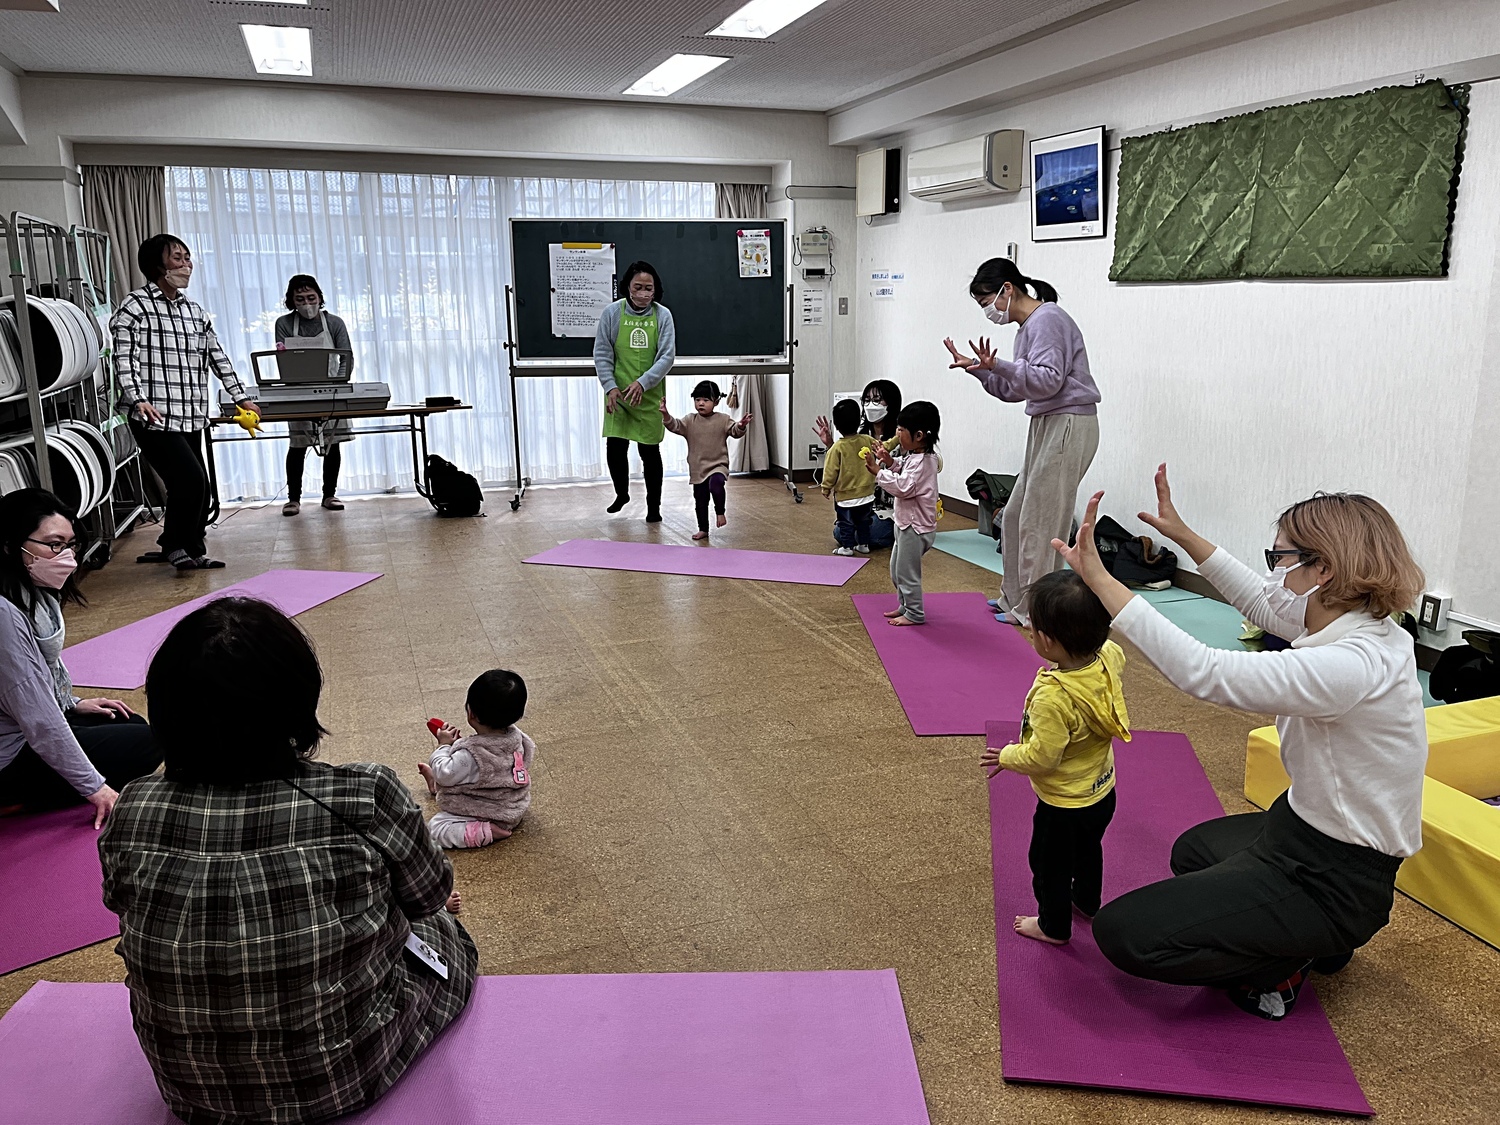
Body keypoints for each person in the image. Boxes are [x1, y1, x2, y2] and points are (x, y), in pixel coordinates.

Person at [1057, 466, 1426, 1021]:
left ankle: (1289, 961)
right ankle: (1317, 939)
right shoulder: (1358, 621)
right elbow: (1263, 602)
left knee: (1126, 935)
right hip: (1299, 828)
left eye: (1280, 557)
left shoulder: (1353, 663)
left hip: (1340, 876)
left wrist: (1103, 581)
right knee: (1193, 852)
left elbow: (1203, 671)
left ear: (1322, 569)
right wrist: (1182, 536)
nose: (1273, 571)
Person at [99, 597, 476, 1122]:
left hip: (190, 1092)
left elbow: (120, 903)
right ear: (298, 701)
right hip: (338, 1079)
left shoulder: (133, 804)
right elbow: (428, 897)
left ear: (166, 707)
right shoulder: (364, 793)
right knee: (446, 935)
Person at [944, 258, 1100, 627]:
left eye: (987, 301)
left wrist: (997, 366)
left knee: (1040, 522)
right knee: (1015, 516)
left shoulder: (1048, 319)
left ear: (1007, 289)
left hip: (1069, 422)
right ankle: (1014, 598)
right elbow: (1017, 389)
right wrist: (983, 371)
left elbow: (1047, 380)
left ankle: (1036, 610)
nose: (987, 310)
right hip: (1048, 422)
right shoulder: (1029, 326)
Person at [981, 570, 1129, 945]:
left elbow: (1043, 757)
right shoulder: (1108, 656)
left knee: (1049, 866)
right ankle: (1087, 902)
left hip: (1063, 804)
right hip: (1101, 790)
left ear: (1046, 641)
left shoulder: (1054, 697)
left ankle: (1053, 926)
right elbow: (1115, 650)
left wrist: (1009, 756)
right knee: (1089, 849)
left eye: (1033, 630)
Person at [0, 489, 160, 824]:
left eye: (70, 544)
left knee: (129, 722)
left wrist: (72, 703)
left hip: (17, 727)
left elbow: (43, 679)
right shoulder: (3, 615)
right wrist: (96, 788)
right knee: (145, 743)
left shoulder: (28, 593)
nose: (67, 555)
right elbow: (38, 716)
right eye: (54, 544)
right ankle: (12, 799)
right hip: (8, 755)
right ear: (10, 544)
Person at [111, 234, 260, 571]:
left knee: (197, 486)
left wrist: (241, 397)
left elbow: (216, 357)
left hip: (190, 414)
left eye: (187, 257)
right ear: (158, 267)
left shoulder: (194, 311)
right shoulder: (135, 306)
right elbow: (123, 359)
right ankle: (181, 546)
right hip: (153, 415)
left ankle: (182, 545)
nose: (186, 264)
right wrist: (138, 400)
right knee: (189, 481)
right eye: (177, 258)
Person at [595, 261, 676, 523]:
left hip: (649, 395)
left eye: (648, 288)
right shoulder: (612, 313)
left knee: (649, 452)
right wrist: (610, 387)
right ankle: (622, 493)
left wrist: (643, 383)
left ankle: (654, 507)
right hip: (618, 394)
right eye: (637, 287)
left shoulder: (663, 316)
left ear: (656, 290)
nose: (643, 292)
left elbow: (666, 357)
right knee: (615, 447)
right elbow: (603, 353)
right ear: (627, 287)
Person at [417, 669, 535, 849]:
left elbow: (445, 773)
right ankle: (435, 785)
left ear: (471, 713)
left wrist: (444, 746)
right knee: (454, 773)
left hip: (488, 813)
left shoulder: (471, 755)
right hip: (512, 805)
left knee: (433, 830)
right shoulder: (517, 737)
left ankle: (483, 831)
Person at [275, 274, 354, 515]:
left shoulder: (335, 323)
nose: (307, 303)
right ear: (292, 301)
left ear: (320, 297)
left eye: (311, 297)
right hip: (297, 391)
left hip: (332, 390)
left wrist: (340, 383)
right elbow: (283, 358)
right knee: (298, 444)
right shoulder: (284, 323)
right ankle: (293, 499)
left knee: (333, 443)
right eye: (300, 299)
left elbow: (346, 356)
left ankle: (329, 494)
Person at [865, 401, 941, 627]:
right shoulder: (915, 457)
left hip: (915, 528)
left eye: (901, 430)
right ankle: (905, 605)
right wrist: (890, 462)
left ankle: (915, 613)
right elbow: (905, 469)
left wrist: (880, 472)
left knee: (907, 574)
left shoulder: (924, 462)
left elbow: (905, 487)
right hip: (905, 524)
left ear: (918, 436)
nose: (897, 434)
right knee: (897, 571)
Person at [814, 380, 902, 550]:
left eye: (877, 400)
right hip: (864, 503)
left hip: (891, 508)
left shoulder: (901, 436)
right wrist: (831, 444)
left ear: (891, 404)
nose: (871, 405)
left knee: (869, 532)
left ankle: (891, 533)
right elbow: (843, 462)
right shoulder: (861, 436)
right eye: (867, 400)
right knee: (841, 532)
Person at [659, 380, 751, 541]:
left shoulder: (723, 419)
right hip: (698, 468)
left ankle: (720, 512)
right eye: (697, 400)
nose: (701, 403)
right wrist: (666, 414)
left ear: (715, 402)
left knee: (716, 485)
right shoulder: (690, 420)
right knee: (700, 500)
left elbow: (735, 431)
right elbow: (675, 425)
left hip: (718, 465)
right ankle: (703, 529)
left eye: (706, 400)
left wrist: (741, 425)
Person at [820, 397, 877, 556]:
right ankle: (863, 544)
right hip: (867, 495)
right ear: (859, 420)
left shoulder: (837, 447)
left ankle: (847, 547)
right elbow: (881, 447)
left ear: (837, 426)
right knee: (864, 521)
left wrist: (826, 488)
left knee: (845, 523)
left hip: (846, 497)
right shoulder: (866, 439)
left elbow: (830, 471)